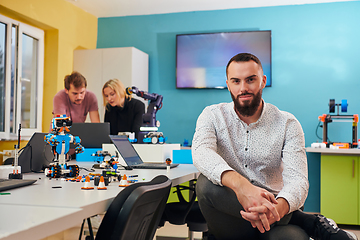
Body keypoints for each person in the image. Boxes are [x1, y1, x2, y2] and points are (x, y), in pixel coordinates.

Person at [192, 53, 357, 240]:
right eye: (236, 81)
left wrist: (277, 209)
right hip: (229, 222)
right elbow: (201, 152)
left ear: (263, 81)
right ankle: (305, 221)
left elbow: (298, 180)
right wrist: (243, 187)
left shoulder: (287, 123)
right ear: (228, 84)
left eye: (251, 80)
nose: (243, 88)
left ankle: (289, 218)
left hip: (276, 216)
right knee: (206, 185)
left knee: (294, 239)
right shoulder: (212, 115)